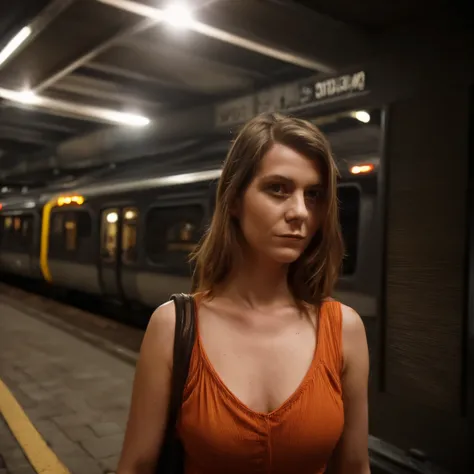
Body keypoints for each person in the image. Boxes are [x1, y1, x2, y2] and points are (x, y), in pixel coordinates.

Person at [117, 112, 371, 474]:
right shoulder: (174, 327)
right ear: (234, 200)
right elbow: (137, 466)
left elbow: (355, 465)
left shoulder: (344, 329)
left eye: (313, 195)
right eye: (278, 189)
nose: (300, 212)